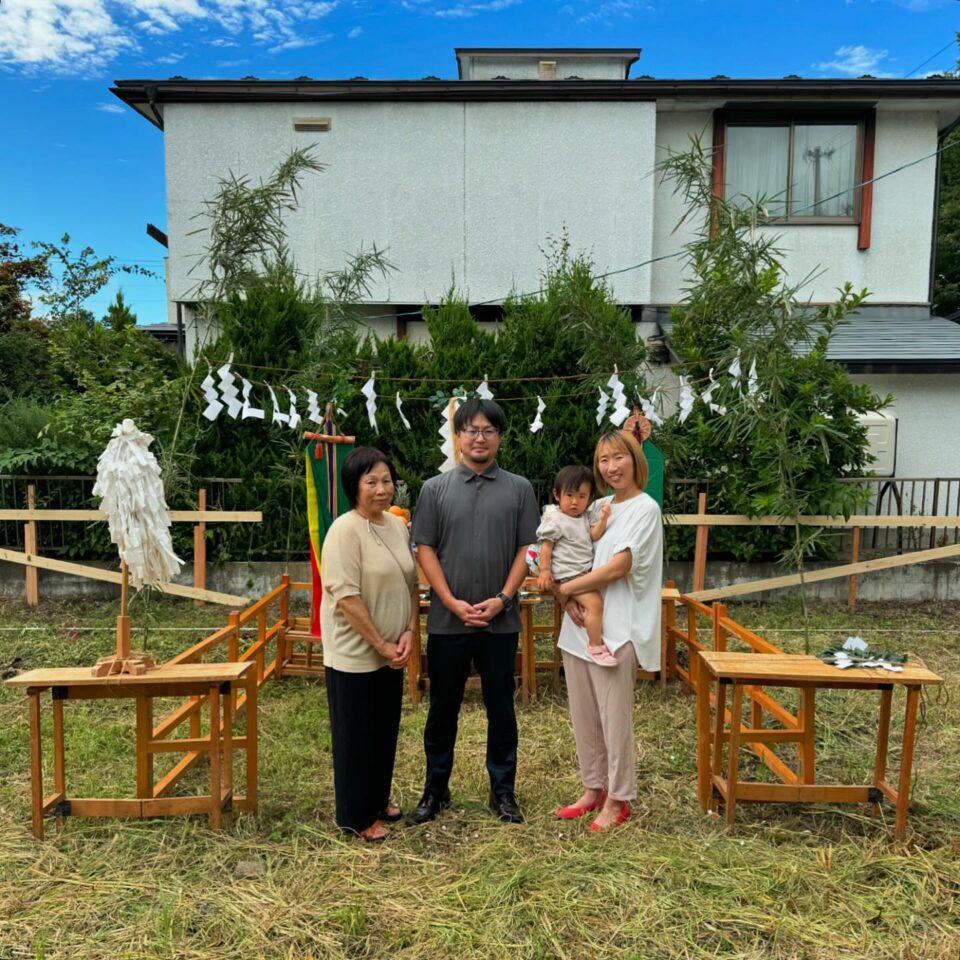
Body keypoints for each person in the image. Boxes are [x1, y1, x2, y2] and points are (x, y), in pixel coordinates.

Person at [407, 398, 540, 825]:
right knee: (442, 709)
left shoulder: (520, 488)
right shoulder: (434, 489)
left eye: (488, 430)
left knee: (502, 708)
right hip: (449, 621)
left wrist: (503, 598)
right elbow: (423, 547)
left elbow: (528, 547)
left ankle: (504, 792)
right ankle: (435, 790)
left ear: (499, 436)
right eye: (470, 430)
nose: (479, 438)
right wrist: (448, 600)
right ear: (457, 436)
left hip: (500, 623)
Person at [553, 430, 663, 832]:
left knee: (613, 719)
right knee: (585, 715)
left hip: (618, 629)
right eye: (603, 460)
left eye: (619, 457)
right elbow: (566, 552)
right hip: (578, 626)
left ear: (635, 459)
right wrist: (565, 598)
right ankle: (592, 787)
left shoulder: (645, 510)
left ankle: (618, 798)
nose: (611, 467)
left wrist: (569, 587)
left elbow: (620, 566)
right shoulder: (595, 506)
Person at [320, 446, 418, 841]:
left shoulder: (395, 525)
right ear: (354, 487)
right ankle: (356, 816)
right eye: (371, 482)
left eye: (387, 481)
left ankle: (377, 798)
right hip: (356, 652)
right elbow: (345, 597)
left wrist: (410, 630)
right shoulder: (344, 530)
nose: (382, 489)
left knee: (383, 729)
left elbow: (410, 582)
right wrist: (378, 642)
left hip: (393, 649)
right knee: (355, 734)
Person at [536, 465, 613, 666]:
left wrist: (603, 519)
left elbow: (594, 535)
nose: (574, 502)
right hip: (569, 575)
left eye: (581, 496)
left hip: (583, 573)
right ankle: (595, 646)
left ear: (589, 498)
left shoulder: (585, 518)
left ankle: (593, 642)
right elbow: (546, 547)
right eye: (569, 495)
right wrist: (545, 571)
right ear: (556, 494)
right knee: (595, 605)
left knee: (594, 605)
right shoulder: (555, 518)